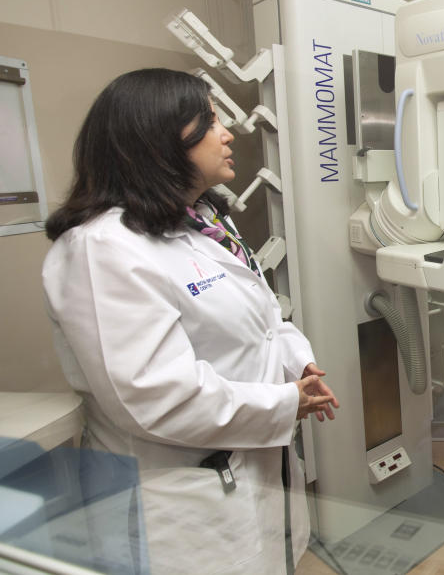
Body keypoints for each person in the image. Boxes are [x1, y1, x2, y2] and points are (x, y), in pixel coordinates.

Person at [42, 68, 339, 574]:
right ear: (157, 140)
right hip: (180, 504)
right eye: (209, 121)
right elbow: (155, 394)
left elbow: (266, 318)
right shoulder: (103, 247)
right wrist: (286, 402)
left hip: (250, 477)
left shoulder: (204, 224)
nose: (227, 134)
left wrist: (297, 363)